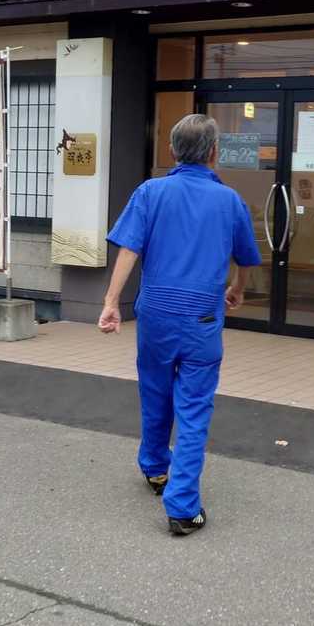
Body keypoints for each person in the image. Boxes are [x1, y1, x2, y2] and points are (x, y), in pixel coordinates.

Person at [97, 114, 262, 536]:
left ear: (171, 151)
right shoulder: (229, 201)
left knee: (154, 391)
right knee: (194, 408)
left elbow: (129, 250)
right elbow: (245, 259)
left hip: (155, 314)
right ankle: (184, 506)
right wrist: (238, 288)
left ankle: (155, 467)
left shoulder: (150, 192)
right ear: (214, 153)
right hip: (202, 318)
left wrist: (112, 302)